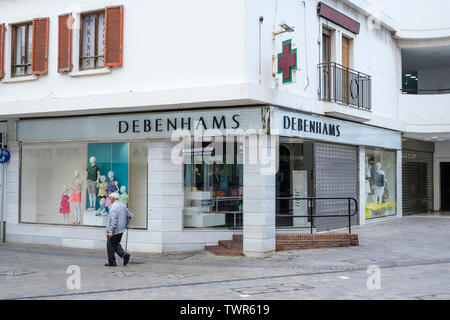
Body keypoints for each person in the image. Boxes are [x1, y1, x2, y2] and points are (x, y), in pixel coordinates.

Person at [105, 192, 132, 267]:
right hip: (121, 229)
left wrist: (111, 231)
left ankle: (112, 262)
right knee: (115, 244)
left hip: (114, 230)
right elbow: (129, 215)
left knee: (110, 246)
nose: (110, 199)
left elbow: (114, 219)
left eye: (110, 198)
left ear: (113, 198)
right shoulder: (123, 205)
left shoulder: (113, 207)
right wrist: (125, 224)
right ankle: (124, 255)